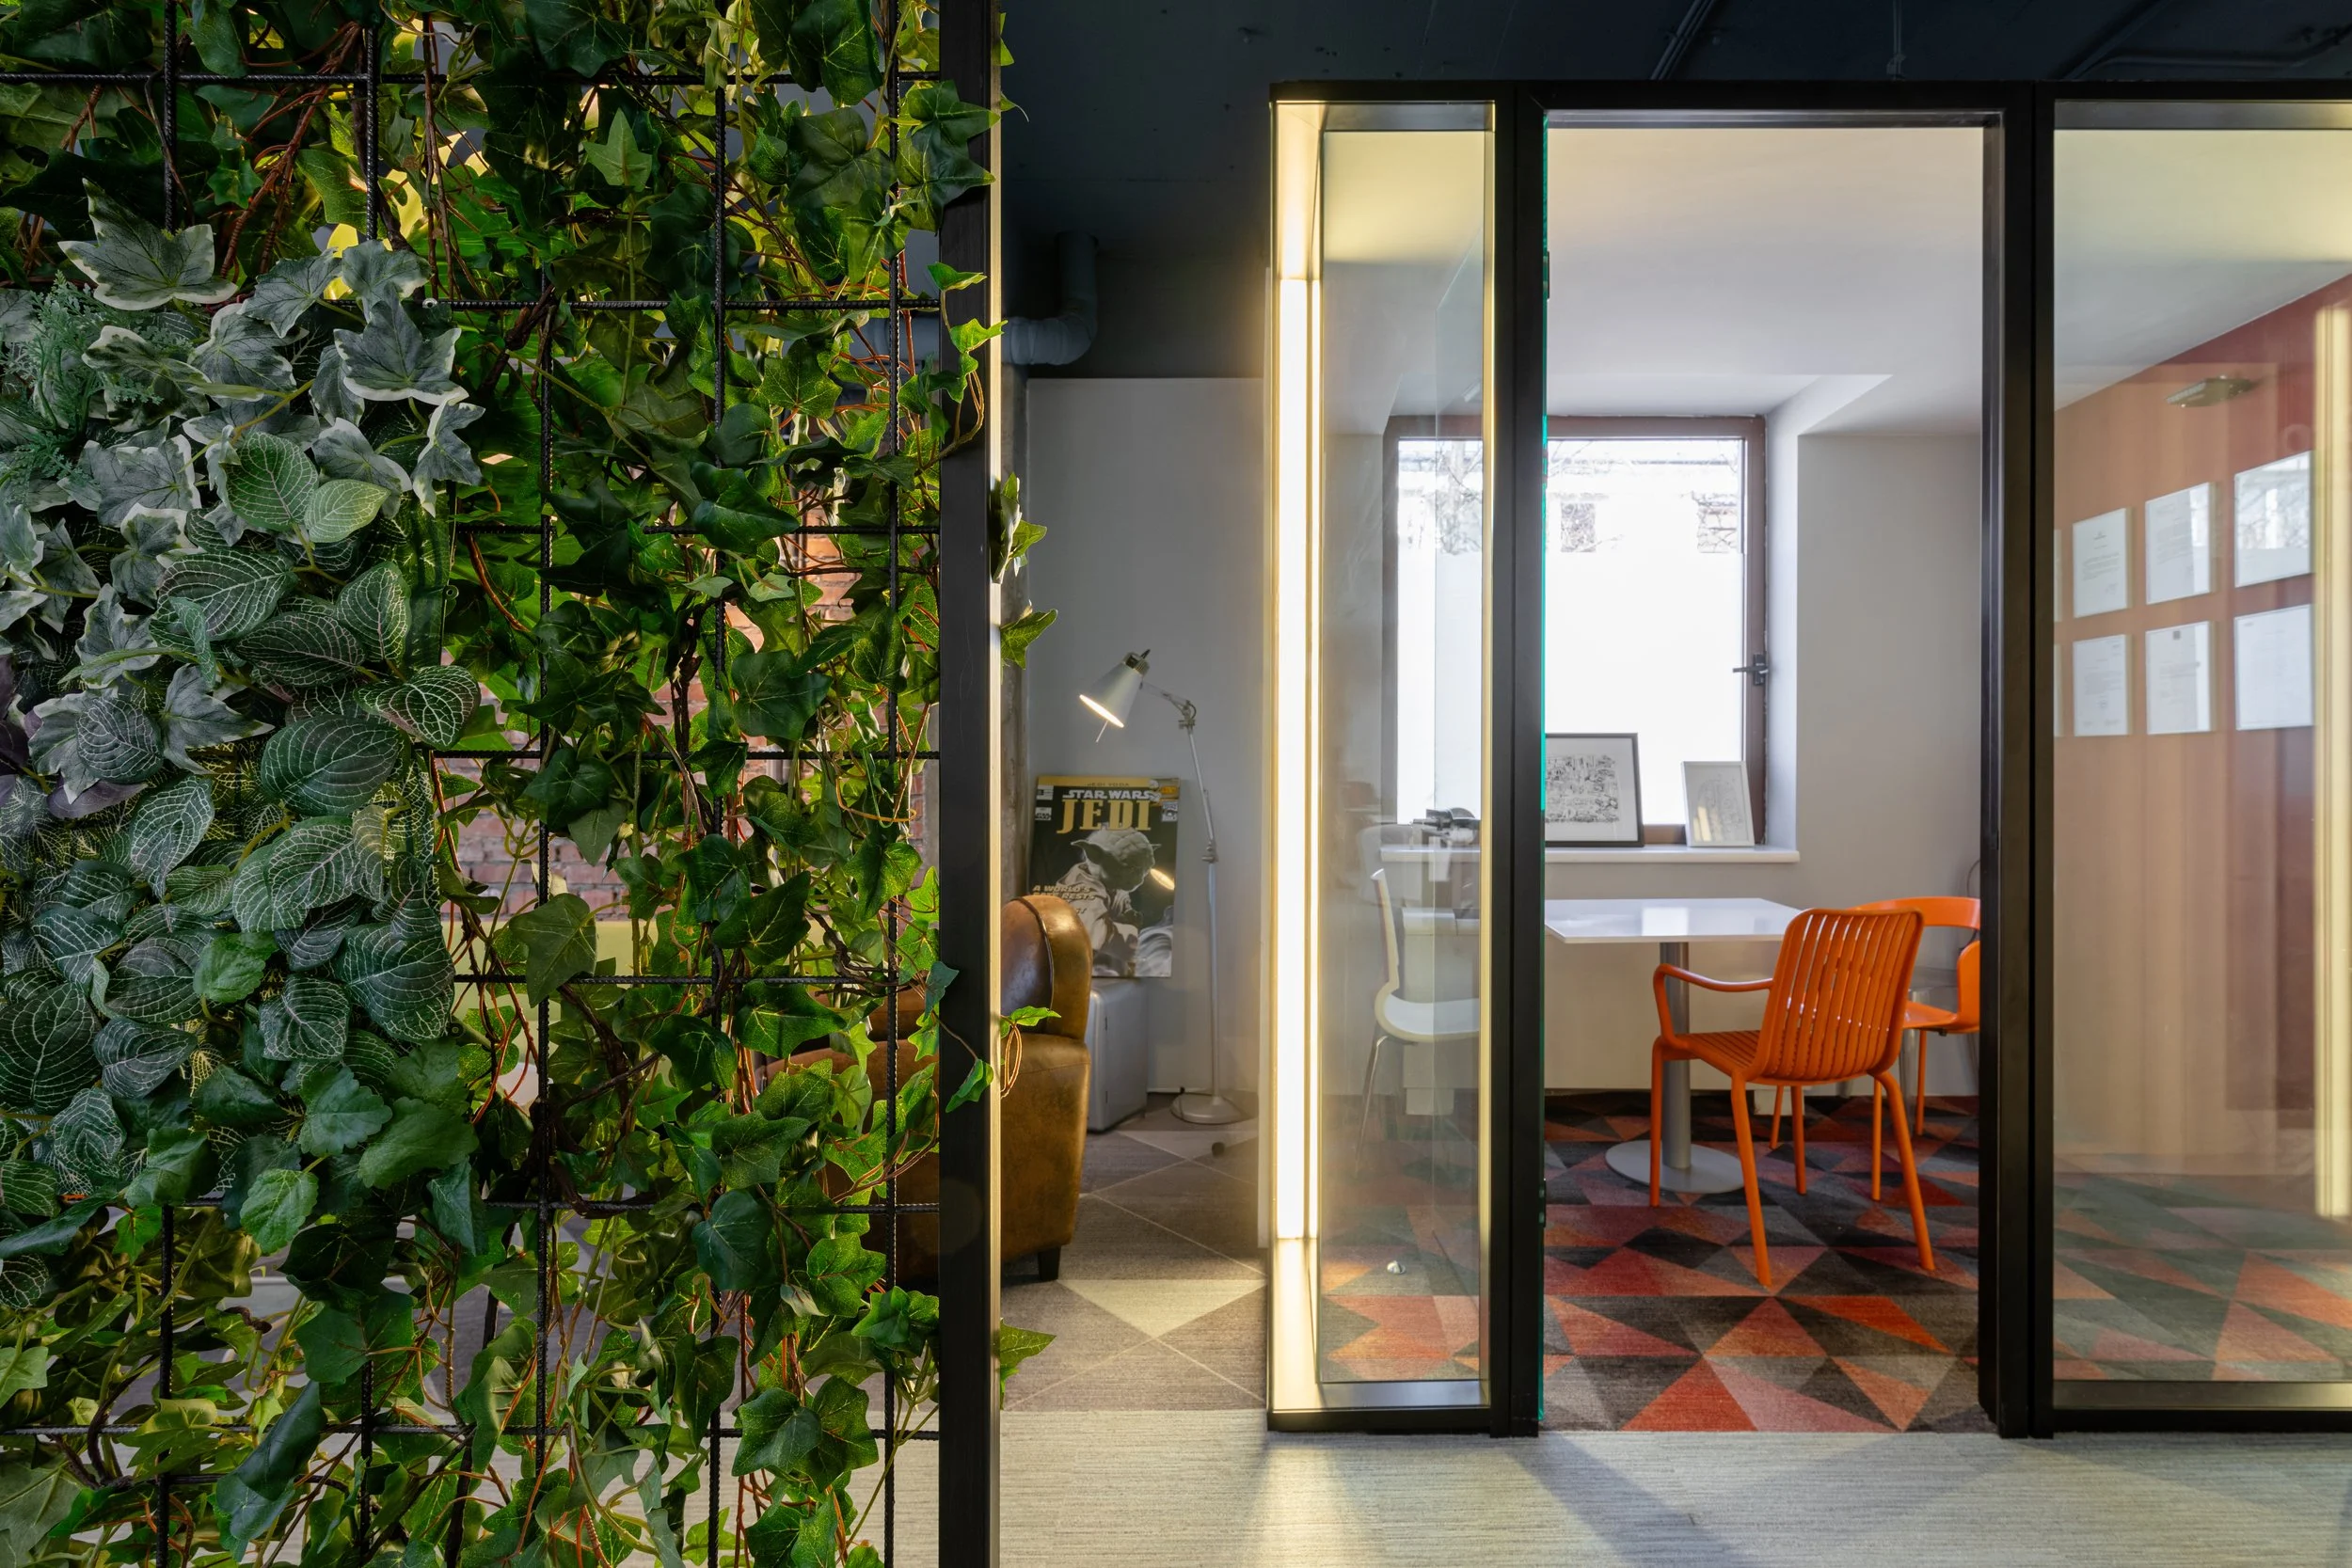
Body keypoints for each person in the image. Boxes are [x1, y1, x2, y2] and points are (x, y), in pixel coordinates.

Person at [1046, 825, 1155, 977]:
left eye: (1144, 871)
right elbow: (1095, 935)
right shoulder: (1081, 889)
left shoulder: (1114, 883)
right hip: (1080, 970)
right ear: (1096, 856)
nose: (1140, 879)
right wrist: (1130, 930)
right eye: (1131, 869)